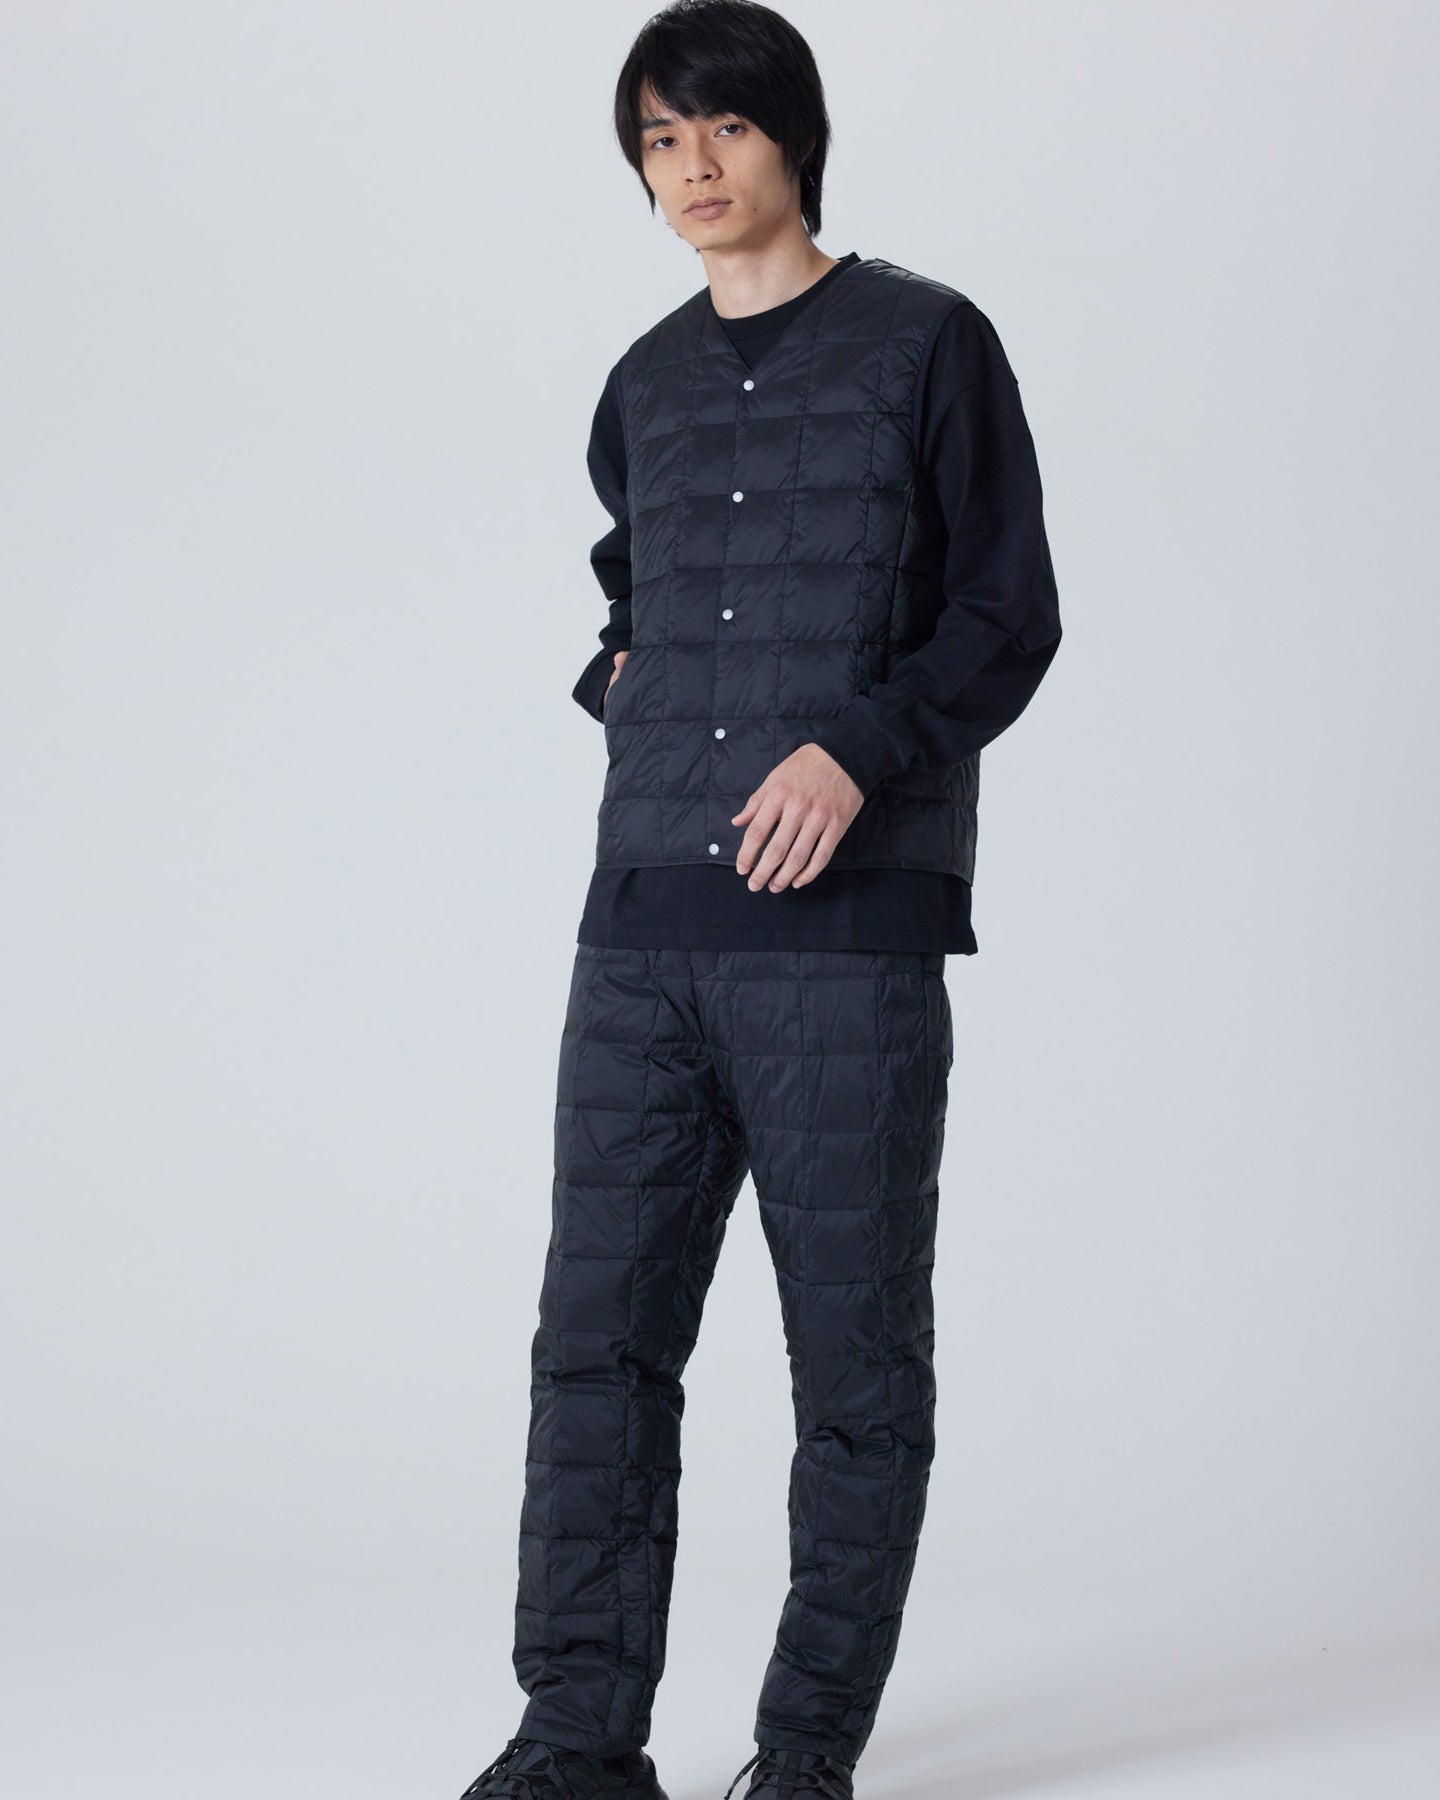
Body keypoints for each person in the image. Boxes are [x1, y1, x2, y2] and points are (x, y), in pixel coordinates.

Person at [458, 3, 1062, 1796]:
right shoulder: (641, 380)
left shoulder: (929, 344)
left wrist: (857, 750)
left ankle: (802, 1754)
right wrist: (627, 678)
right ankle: (576, 1740)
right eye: (659, 139)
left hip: (843, 946)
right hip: (640, 936)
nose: (692, 167)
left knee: (853, 1369)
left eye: (720, 127)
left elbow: (1006, 615)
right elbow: (632, 577)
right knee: (595, 1353)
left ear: (793, 134)